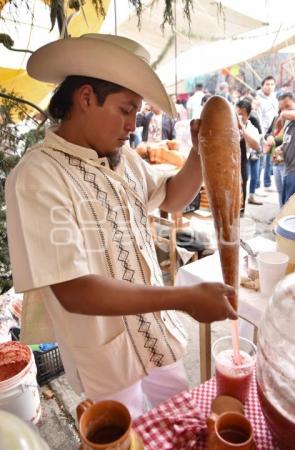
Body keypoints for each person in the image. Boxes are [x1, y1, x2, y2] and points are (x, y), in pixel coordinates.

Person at [5, 34, 237, 419]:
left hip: (155, 335)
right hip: (105, 357)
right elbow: (75, 290)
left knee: (177, 421)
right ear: (85, 98)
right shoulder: (37, 176)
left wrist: (198, 152)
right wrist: (182, 298)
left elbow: (173, 197)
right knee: (124, 437)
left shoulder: (122, 157)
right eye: (126, 109)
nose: (133, 124)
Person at [236, 99, 261, 212]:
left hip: (242, 161)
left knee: (242, 185)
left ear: (249, 115)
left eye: (242, 114)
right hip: (228, 161)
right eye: (237, 113)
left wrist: (243, 130)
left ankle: (240, 210)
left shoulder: (252, 128)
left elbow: (256, 146)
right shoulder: (230, 125)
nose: (239, 116)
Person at [275, 92, 295, 204]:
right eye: (282, 108)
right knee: (286, 204)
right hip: (288, 169)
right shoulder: (289, 122)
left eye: (288, 106)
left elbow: (290, 114)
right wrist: (281, 148)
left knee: (291, 209)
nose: (284, 110)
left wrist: (282, 115)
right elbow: (289, 140)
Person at [256, 76, 278, 191]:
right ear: (263, 85)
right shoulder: (258, 100)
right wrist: (262, 135)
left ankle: (267, 183)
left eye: (272, 84)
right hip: (262, 133)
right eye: (267, 84)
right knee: (261, 160)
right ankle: (257, 186)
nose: (270, 87)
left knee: (270, 159)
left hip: (272, 133)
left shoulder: (275, 99)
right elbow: (258, 119)